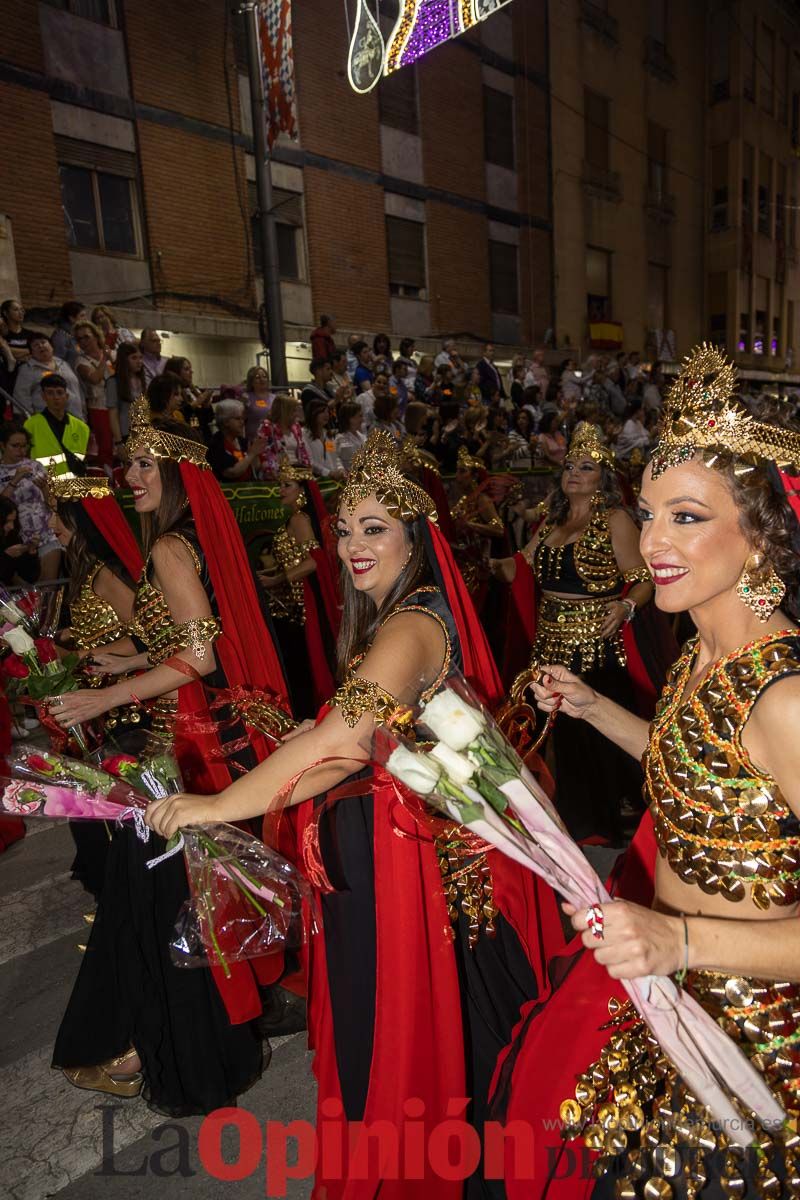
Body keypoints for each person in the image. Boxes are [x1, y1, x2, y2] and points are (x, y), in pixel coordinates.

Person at [146, 430, 560, 1199]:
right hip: (406, 861)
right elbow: (352, 730)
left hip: (411, 875)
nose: (350, 545)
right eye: (343, 528)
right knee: (457, 1041)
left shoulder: (409, 625)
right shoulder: (397, 616)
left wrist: (214, 806)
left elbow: (342, 747)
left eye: (374, 528)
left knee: (418, 1041)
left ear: (416, 535)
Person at [496, 347, 800, 1199]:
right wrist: (595, 711)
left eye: (688, 518)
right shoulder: (698, 655)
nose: (655, 542)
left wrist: (680, 938)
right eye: (650, 512)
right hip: (670, 998)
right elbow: (699, 771)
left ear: (764, 534)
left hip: (757, 1048)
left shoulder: (788, 699)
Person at [49, 401, 293, 1116]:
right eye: (130, 464)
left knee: (163, 900)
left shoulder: (166, 549)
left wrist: (106, 696)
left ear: (181, 475)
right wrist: (113, 655)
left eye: (145, 465)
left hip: (185, 743)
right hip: (196, 735)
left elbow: (198, 656)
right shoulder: (182, 542)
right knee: (172, 897)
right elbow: (184, 639)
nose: (130, 476)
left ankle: (158, 1046)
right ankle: (189, 1034)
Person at [491, 423, 656, 844]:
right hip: (549, 638)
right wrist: (476, 558)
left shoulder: (615, 519)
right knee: (554, 728)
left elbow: (644, 577)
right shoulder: (552, 521)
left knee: (594, 730)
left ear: (604, 477)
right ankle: (574, 815)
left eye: (586, 467)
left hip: (595, 640)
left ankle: (607, 817)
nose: (574, 473)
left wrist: (626, 605)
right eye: (569, 466)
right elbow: (519, 569)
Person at [47, 473, 144, 899]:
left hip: (124, 708)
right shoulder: (83, 572)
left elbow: (143, 636)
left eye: (59, 515)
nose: (51, 522)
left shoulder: (104, 574)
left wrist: (82, 655)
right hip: (98, 708)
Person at [258, 457, 340, 717]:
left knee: (300, 665)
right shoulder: (296, 518)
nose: (281, 490)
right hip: (291, 603)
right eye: (281, 484)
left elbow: (314, 562)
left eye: (287, 485)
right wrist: (268, 573)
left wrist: (276, 580)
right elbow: (294, 560)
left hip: (299, 606)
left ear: (302, 490)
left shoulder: (300, 520)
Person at [0, 422, 61, 580]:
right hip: (17, 539)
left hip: (45, 533)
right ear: (2, 445)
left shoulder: (36, 466)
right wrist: (14, 480)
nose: (21, 450)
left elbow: (52, 503)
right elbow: (1, 507)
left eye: (24, 446)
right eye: (15, 445)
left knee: (49, 587)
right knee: (27, 591)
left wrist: (45, 489)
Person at [73, 320, 119, 470]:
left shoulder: (113, 354)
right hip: (98, 406)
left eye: (87, 337)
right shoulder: (81, 361)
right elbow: (94, 378)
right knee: (105, 444)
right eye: (80, 339)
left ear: (95, 336)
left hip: (117, 404)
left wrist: (110, 357)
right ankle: (106, 475)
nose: (84, 341)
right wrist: (104, 359)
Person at [24, 375, 91, 477]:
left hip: (73, 486)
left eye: (59, 392)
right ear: (43, 397)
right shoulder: (30, 425)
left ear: (66, 396)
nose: (56, 397)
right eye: (50, 393)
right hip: (44, 486)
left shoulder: (82, 428)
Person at [12, 333, 84, 419]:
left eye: (43, 342)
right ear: (31, 352)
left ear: (52, 347)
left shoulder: (64, 364)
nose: (40, 346)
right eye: (35, 345)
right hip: (45, 421)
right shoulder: (27, 369)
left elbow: (77, 389)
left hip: (75, 417)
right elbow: (21, 397)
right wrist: (29, 421)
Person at [206, 398, 264, 481]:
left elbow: (256, 468)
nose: (242, 422)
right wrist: (251, 454)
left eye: (243, 419)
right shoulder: (215, 444)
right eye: (238, 419)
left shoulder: (243, 442)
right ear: (225, 422)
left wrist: (256, 454)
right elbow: (232, 473)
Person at [258, 393, 310, 476]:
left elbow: (303, 453)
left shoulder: (296, 427)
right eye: (294, 411)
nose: (297, 414)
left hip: (298, 473)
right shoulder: (267, 428)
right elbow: (265, 456)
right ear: (284, 412)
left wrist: (305, 470)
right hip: (277, 474)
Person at [163, 356, 213, 439]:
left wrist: (206, 404)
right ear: (176, 372)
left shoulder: (194, 390)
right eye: (186, 369)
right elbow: (178, 414)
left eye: (190, 368)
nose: (191, 371)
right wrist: (197, 403)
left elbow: (209, 418)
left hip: (202, 433)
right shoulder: (171, 392)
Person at [105, 341, 144, 440]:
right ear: (124, 360)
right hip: (126, 434)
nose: (139, 361)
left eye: (140, 357)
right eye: (134, 358)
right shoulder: (114, 382)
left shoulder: (142, 380)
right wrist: (119, 441)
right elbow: (113, 415)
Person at [0, 496, 40, 586]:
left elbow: (30, 577)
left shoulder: (11, 537)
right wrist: (6, 556)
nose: (11, 526)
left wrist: (31, 553)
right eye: (6, 521)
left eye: (13, 521)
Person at [0, 299, 34, 392]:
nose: (21, 313)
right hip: (7, 378)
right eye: (16, 310)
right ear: (6, 313)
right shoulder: (3, 335)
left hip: (28, 376)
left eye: (22, 310)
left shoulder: (30, 334)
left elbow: (35, 353)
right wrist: (27, 352)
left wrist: (9, 351)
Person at [303, 403, 344, 479]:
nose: (326, 415)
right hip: (317, 479)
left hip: (333, 479)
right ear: (313, 413)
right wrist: (328, 473)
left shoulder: (327, 434)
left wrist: (340, 469)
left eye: (327, 412)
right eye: (322, 412)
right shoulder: (305, 434)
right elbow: (309, 461)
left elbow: (334, 456)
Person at [242, 364, 273, 439]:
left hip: (273, 438)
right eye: (257, 377)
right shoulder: (246, 397)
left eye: (264, 377)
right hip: (254, 439)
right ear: (251, 381)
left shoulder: (274, 398)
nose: (262, 379)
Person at [334, 400, 366, 473]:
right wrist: (342, 471)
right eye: (360, 416)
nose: (362, 419)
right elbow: (336, 458)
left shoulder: (362, 436)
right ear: (351, 419)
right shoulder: (340, 438)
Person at [51, 300, 86, 366]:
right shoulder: (60, 337)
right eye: (82, 316)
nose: (85, 319)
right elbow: (58, 362)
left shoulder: (77, 333)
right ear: (72, 318)